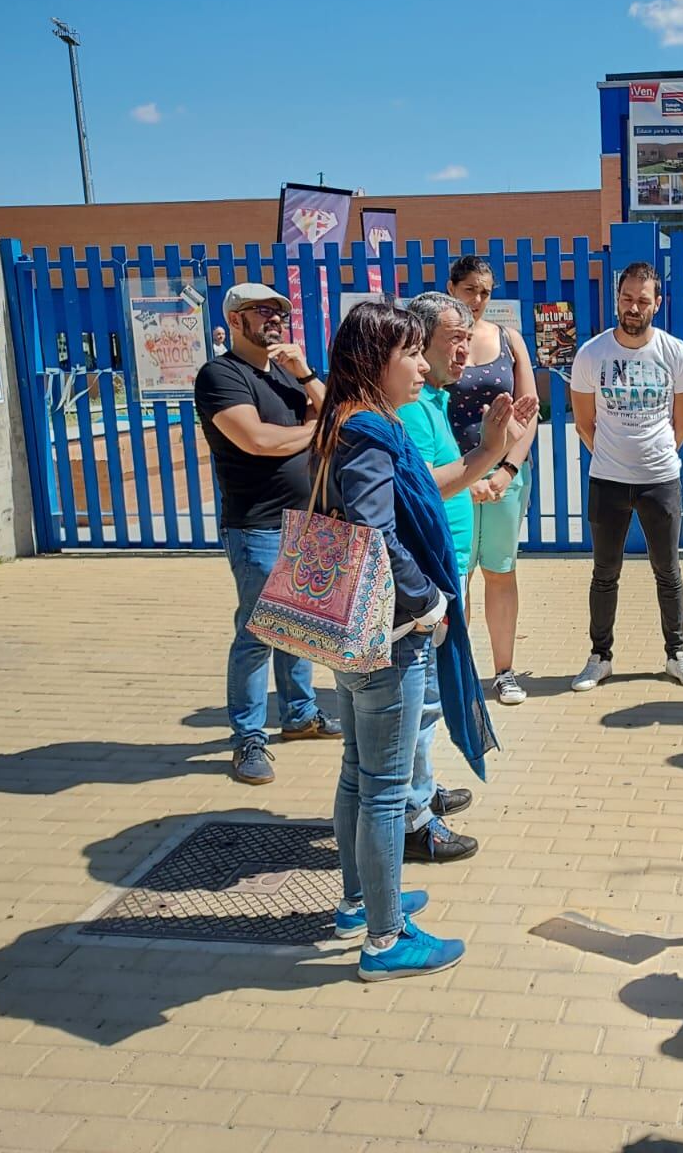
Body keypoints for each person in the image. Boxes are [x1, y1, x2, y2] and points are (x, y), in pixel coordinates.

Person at [310, 302, 500, 981]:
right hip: (388, 635)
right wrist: (428, 603)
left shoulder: (346, 420)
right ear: (374, 362)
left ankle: (360, 906)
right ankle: (385, 942)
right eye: (411, 355)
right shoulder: (365, 431)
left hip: (356, 632)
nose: (423, 365)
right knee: (385, 790)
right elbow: (373, 532)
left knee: (360, 777)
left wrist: (486, 452)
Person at [396, 292, 537, 863]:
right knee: (418, 701)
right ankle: (411, 817)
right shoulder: (407, 406)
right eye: (454, 336)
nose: (466, 346)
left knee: (427, 696)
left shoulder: (431, 399)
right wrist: (486, 455)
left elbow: (443, 479)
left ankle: (421, 791)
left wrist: (486, 463)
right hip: (422, 578)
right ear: (419, 341)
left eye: (467, 335)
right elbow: (421, 484)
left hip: (440, 568)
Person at [193, 283, 341, 786]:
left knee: (296, 627)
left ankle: (299, 716)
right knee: (257, 635)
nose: (275, 320)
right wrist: (316, 432)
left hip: (304, 522)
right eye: (263, 312)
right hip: (256, 524)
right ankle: (248, 738)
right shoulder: (220, 375)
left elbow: (330, 409)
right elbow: (257, 440)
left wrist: (304, 372)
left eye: (281, 311)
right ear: (235, 320)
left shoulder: (284, 374)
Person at [569, 261, 683, 692]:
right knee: (604, 572)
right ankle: (599, 656)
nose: (633, 307)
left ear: (657, 304)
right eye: (627, 298)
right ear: (618, 300)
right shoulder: (592, 354)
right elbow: (584, 423)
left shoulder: (676, 354)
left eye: (642, 300)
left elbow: (682, 424)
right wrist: (614, 458)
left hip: (660, 480)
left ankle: (677, 654)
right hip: (607, 481)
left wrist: (653, 458)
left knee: (668, 570)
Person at [445, 256, 539, 706]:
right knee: (453, 575)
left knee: (499, 572)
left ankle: (504, 672)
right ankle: (458, 674)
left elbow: (530, 410)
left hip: (503, 480)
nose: (479, 300)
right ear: (452, 288)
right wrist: (467, 477)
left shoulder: (509, 339)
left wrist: (506, 471)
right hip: (453, 477)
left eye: (485, 291)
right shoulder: (436, 343)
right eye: (469, 290)